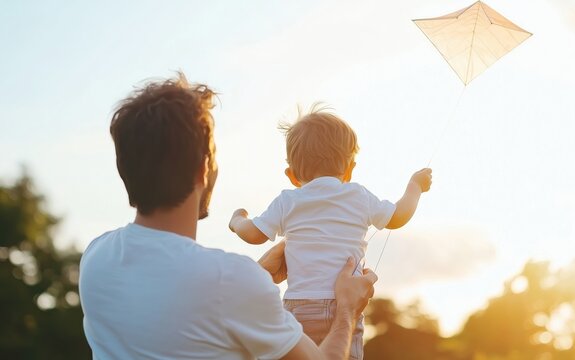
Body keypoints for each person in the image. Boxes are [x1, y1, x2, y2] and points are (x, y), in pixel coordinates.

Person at [78, 73, 378, 360]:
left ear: (124, 169)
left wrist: (259, 276)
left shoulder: (95, 258)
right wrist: (347, 312)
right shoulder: (233, 280)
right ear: (203, 169)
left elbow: (175, 302)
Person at [228, 108, 432, 359]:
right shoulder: (358, 195)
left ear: (291, 175)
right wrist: (415, 187)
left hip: (297, 305)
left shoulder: (288, 200)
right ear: (349, 169)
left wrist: (238, 220)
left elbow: (253, 235)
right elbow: (399, 216)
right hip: (344, 302)